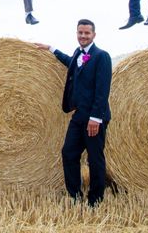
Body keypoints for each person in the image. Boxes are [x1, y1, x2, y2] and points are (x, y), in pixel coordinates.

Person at [35, 19, 112, 207]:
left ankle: (95, 200)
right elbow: (72, 64)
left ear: (94, 34)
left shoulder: (101, 56)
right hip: (78, 116)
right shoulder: (79, 53)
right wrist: (52, 49)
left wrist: (95, 118)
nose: (83, 36)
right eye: (80, 33)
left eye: (86, 33)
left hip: (94, 118)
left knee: (95, 159)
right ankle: (74, 195)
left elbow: (103, 90)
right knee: (68, 153)